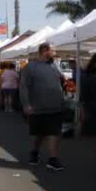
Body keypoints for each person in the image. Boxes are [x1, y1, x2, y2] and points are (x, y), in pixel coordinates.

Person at [19, 43, 65, 171]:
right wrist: (26, 104)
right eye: (53, 50)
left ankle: (53, 159)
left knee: (54, 133)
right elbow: (23, 87)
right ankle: (35, 151)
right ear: (45, 51)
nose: (55, 53)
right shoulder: (30, 67)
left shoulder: (55, 66)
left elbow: (61, 81)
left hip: (56, 107)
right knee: (38, 135)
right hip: (37, 108)